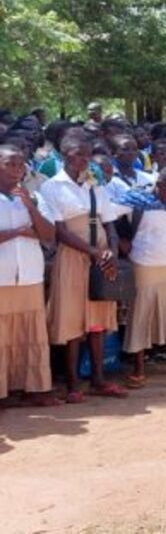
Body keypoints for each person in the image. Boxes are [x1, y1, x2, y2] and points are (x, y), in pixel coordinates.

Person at [42, 137, 128, 402]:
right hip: (73, 256)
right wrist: (92, 252)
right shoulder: (52, 187)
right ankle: (72, 383)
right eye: (79, 154)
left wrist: (111, 250)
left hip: (101, 254)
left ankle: (98, 379)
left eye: (88, 155)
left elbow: (110, 221)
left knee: (98, 318)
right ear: (64, 154)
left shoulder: (94, 183)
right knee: (73, 318)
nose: (84, 159)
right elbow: (59, 230)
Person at [118, 166, 166, 385]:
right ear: (158, 184)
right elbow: (107, 215)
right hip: (143, 262)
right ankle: (138, 367)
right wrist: (121, 242)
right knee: (141, 314)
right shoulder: (135, 197)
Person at [0, 146, 59, 406]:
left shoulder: (34, 197)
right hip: (2, 276)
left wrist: (30, 207)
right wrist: (18, 232)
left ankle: (35, 388)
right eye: (9, 164)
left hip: (30, 275)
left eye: (20, 165)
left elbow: (48, 234)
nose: (16, 170)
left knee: (32, 332)